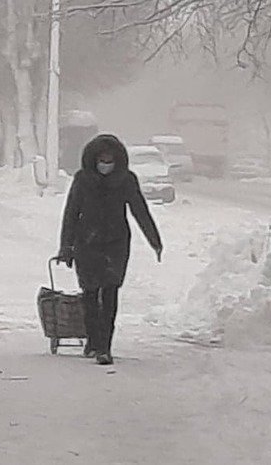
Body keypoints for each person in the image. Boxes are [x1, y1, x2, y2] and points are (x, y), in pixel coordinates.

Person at [54, 134, 163, 366]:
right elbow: (71, 213)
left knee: (111, 293)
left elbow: (139, 211)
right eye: (101, 160)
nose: (106, 165)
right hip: (87, 243)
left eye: (109, 160)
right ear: (93, 160)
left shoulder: (126, 181)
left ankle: (105, 348)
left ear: (117, 161)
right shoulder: (83, 180)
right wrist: (66, 246)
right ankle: (93, 341)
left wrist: (154, 240)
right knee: (90, 295)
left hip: (116, 243)